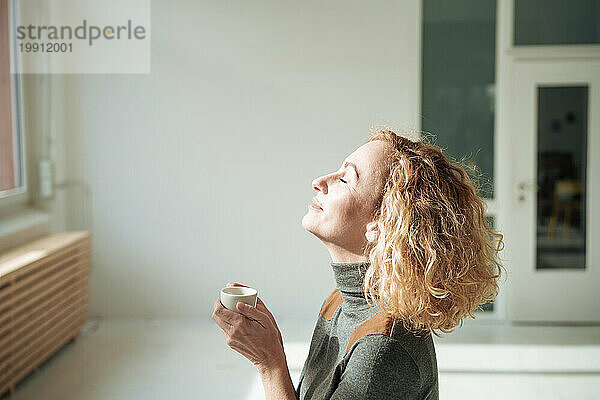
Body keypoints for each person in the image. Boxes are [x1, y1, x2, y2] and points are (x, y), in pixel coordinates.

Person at [212, 128, 504, 399]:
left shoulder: (383, 352)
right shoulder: (340, 301)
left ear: (380, 223)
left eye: (344, 179)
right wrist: (269, 345)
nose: (319, 182)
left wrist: (269, 361)